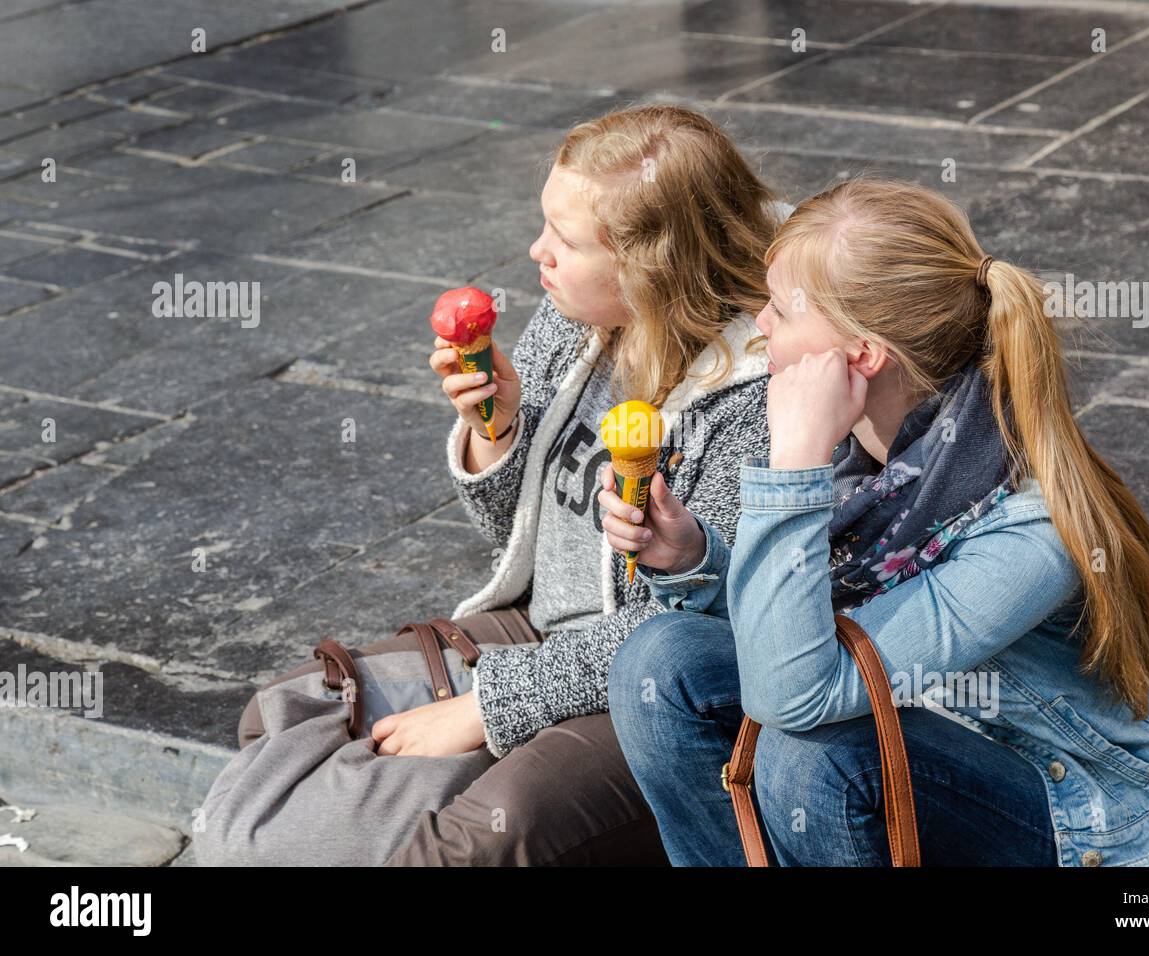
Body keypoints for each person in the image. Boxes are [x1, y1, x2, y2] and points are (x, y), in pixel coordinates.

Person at [604, 176, 1149, 867]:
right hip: (920, 739)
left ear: (862, 356)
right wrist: (698, 560)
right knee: (663, 661)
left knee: (818, 757)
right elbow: (807, 640)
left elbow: (794, 690)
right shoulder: (865, 455)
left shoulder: (1028, 532)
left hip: (1075, 819)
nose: (759, 325)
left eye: (782, 310)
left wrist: (791, 473)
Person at [228, 105, 791, 866]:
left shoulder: (753, 397)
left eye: (565, 239)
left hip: (660, 692)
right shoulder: (575, 323)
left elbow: (693, 633)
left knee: (479, 838)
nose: (538, 252)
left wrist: (487, 707)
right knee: (288, 711)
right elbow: (518, 541)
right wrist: (498, 428)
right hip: (539, 627)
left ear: (649, 264)